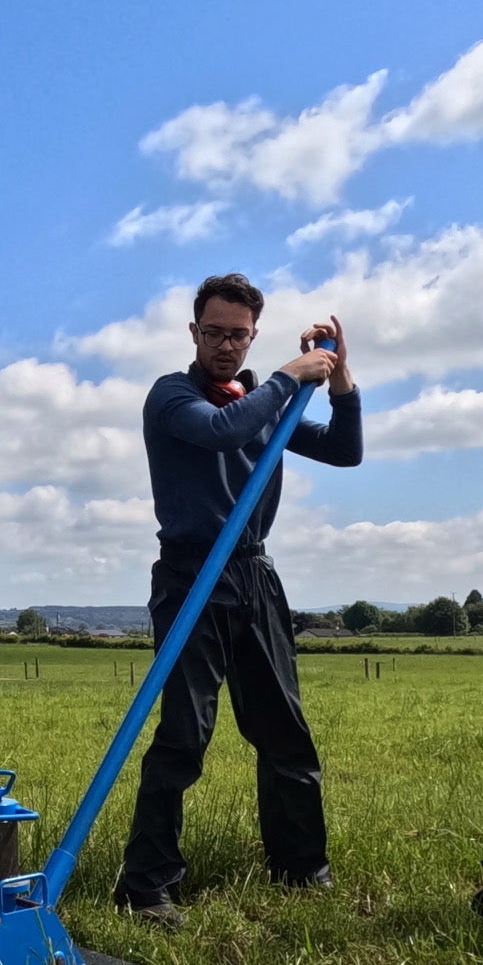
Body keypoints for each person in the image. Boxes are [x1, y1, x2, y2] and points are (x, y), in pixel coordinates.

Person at [113, 273, 356, 921]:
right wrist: (287, 375)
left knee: (285, 731)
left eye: (239, 335)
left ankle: (302, 869)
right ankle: (146, 884)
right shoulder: (171, 396)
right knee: (184, 737)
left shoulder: (262, 399)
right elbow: (222, 430)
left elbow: (345, 451)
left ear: (253, 335)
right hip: (192, 576)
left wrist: (337, 380)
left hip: (253, 575)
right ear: (194, 332)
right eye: (214, 332)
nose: (226, 345)